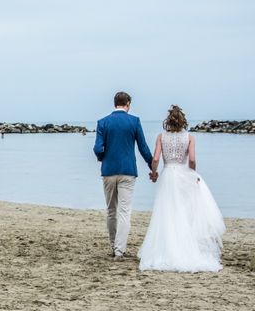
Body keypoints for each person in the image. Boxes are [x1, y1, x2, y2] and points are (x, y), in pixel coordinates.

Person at [138, 106, 225, 272]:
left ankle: (166, 250)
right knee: (185, 213)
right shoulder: (190, 137)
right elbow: (192, 160)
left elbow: (155, 159)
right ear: (183, 120)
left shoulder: (161, 137)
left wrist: (154, 173)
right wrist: (192, 175)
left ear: (168, 121)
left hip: (168, 175)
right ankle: (186, 249)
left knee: (167, 212)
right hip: (183, 175)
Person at [93, 91, 154, 260]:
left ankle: (113, 246)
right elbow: (143, 148)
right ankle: (119, 251)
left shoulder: (103, 122)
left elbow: (98, 148)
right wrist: (152, 166)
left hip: (108, 171)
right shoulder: (134, 121)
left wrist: (102, 158)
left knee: (111, 211)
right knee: (124, 212)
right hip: (128, 171)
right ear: (127, 104)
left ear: (115, 103)